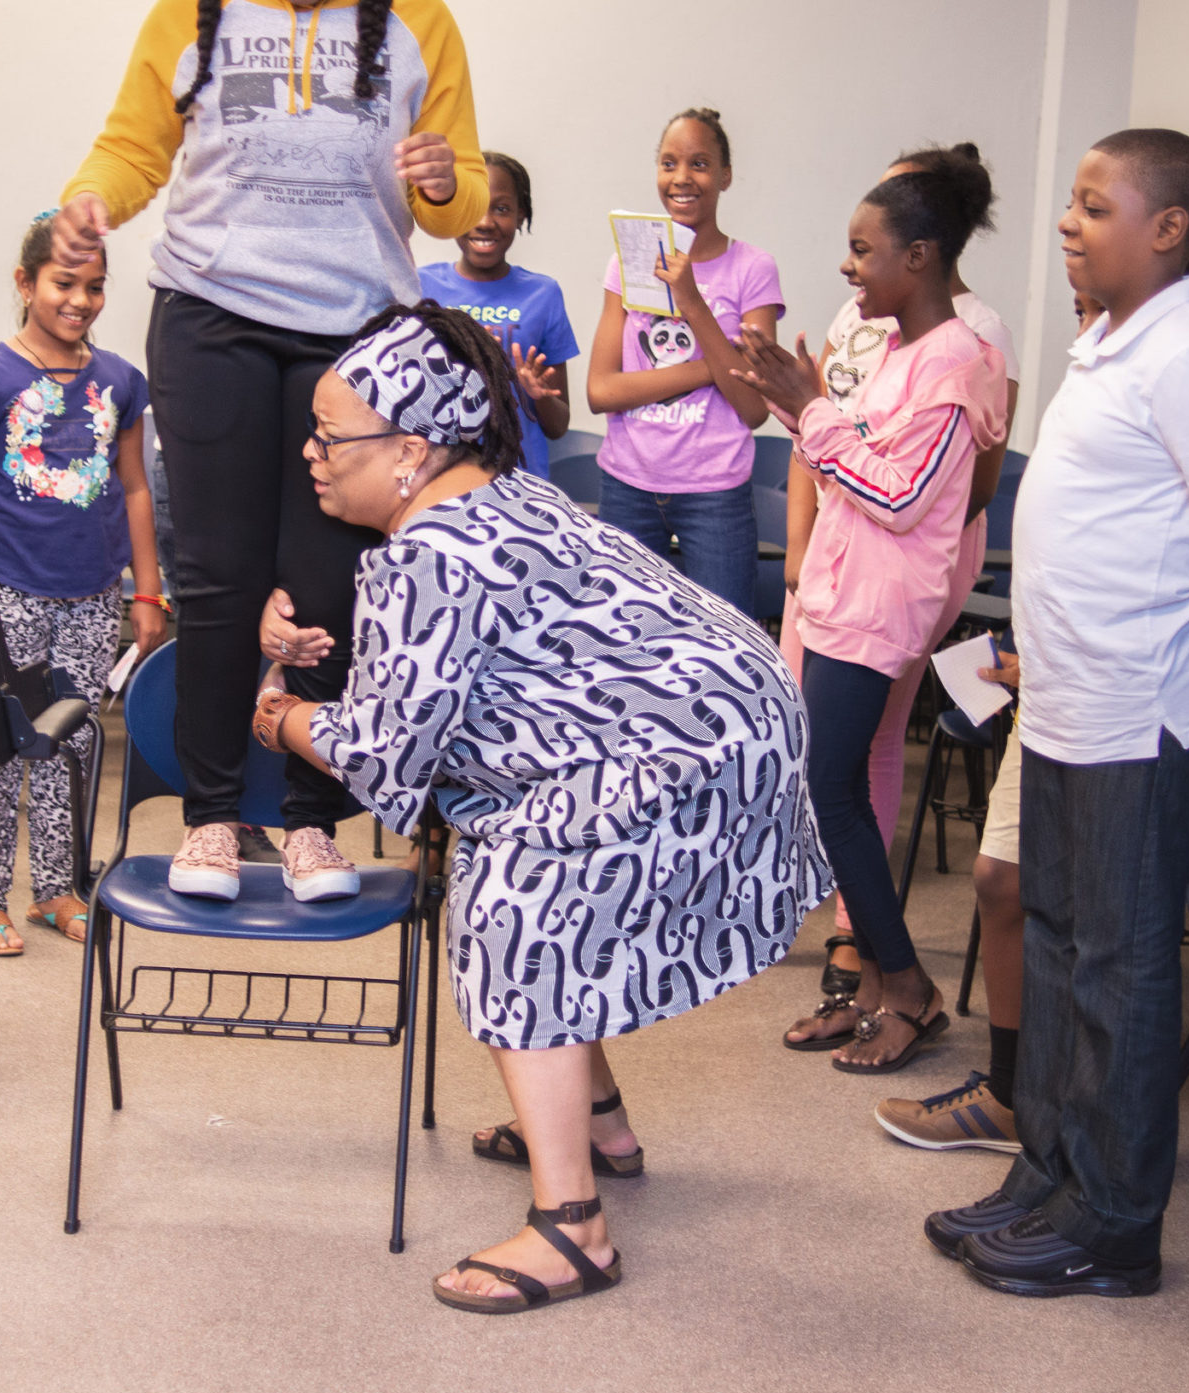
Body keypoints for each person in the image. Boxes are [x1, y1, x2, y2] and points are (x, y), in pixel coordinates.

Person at [252, 302, 825, 1312]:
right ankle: (596, 1124)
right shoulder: (502, 492)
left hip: (686, 748)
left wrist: (284, 717)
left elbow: (382, 757)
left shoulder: (429, 554)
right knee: (524, 858)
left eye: (329, 437)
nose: (311, 452)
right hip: (732, 716)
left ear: (409, 451)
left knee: (513, 897)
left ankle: (574, 1230)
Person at [48, 0, 485, 902]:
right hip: (212, 314)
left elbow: (462, 193)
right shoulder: (191, 7)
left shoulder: (417, 18)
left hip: (357, 332)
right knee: (218, 576)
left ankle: (309, 820)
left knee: (329, 579)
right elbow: (131, 147)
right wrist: (91, 202)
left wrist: (444, 182)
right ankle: (208, 817)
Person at [928, 129, 1189, 1299]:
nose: (1066, 222)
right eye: (1072, 202)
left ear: (1168, 228)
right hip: (1067, 701)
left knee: (1121, 967)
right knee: (1056, 947)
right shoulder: (1107, 340)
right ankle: (1048, 1174)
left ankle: (1114, 1221)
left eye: (1095, 205)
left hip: (1141, 712)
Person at [735, 171, 1007, 1076]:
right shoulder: (899, 347)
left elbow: (899, 495)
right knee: (833, 788)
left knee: (832, 791)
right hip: (841, 593)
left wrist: (813, 409)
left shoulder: (958, 363)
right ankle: (879, 989)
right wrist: (796, 400)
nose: (848, 266)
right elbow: (849, 457)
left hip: (881, 605)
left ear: (918, 256)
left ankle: (909, 988)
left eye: (863, 249)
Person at [875, 292, 1099, 1157]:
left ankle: (1074, 1122)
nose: (1070, 235)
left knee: (1083, 916)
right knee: (1000, 880)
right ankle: (1010, 1098)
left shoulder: (1184, 370)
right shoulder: (1090, 374)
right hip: (1050, 678)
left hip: (1114, 697)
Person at [0, 216, 166, 950]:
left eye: (95, 286)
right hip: (8, 589)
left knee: (73, 740)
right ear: (25, 282)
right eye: (64, 283)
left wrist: (146, 591)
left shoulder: (120, 380)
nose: (80, 300)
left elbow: (135, 489)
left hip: (93, 595)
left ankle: (56, 888)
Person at [584, 108, 783, 615]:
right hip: (627, 485)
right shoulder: (626, 262)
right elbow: (601, 392)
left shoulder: (753, 268)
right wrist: (712, 367)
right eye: (668, 163)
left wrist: (691, 301)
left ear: (725, 176)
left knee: (727, 638)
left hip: (714, 494)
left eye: (699, 164)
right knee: (621, 635)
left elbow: (753, 409)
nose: (681, 178)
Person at [415, 151, 577, 475]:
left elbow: (558, 426)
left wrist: (539, 395)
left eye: (501, 209)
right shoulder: (420, 286)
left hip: (520, 482)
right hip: (441, 478)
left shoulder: (543, 294)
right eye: (472, 207)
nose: (485, 222)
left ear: (520, 215)